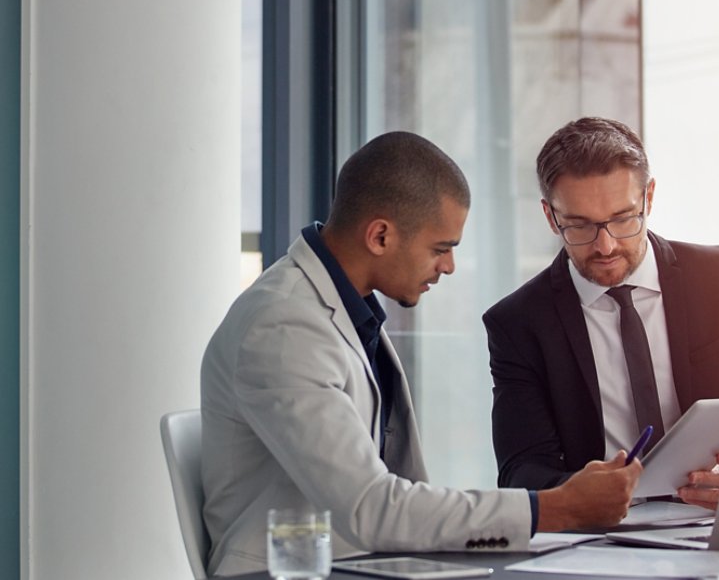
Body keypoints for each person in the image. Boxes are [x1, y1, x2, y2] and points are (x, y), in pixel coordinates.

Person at [201, 131, 641, 577]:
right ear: (380, 236)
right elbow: (371, 508)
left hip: (363, 563)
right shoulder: (284, 326)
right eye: (440, 248)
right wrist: (553, 509)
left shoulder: (344, 311)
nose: (448, 266)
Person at [484, 117, 719, 508]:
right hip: (603, 537)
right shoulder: (517, 323)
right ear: (551, 217)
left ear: (648, 198)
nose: (606, 246)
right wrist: (580, 491)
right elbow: (521, 470)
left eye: (622, 219)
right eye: (580, 226)